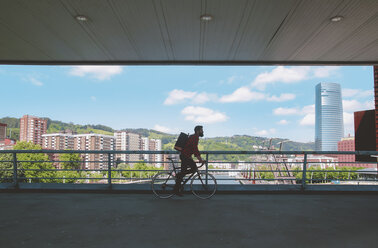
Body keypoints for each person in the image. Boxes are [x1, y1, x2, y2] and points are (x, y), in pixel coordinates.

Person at [174, 125, 205, 196]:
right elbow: (195, 149)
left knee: (184, 172)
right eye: (201, 130)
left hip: (185, 156)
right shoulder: (195, 138)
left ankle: (177, 186)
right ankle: (177, 187)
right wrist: (200, 160)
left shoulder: (193, 137)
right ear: (198, 131)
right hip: (185, 157)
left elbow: (191, 149)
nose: (203, 131)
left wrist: (197, 158)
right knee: (194, 169)